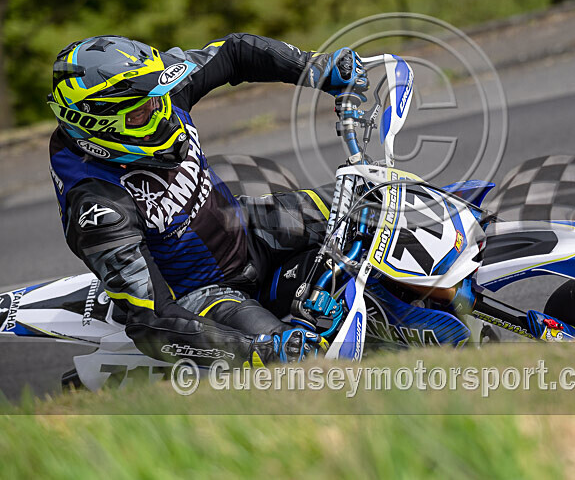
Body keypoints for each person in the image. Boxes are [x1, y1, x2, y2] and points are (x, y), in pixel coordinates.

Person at [47, 34, 368, 367]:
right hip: (205, 296)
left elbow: (235, 52)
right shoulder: (97, 206)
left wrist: (315, 66)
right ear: (97, 124)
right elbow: (151, 322)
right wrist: (257, 350)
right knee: (298, 363)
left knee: (369, 201)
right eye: (141, 114)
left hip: (246, 226)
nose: (163, 114)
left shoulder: (157, 85)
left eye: (158, 101)